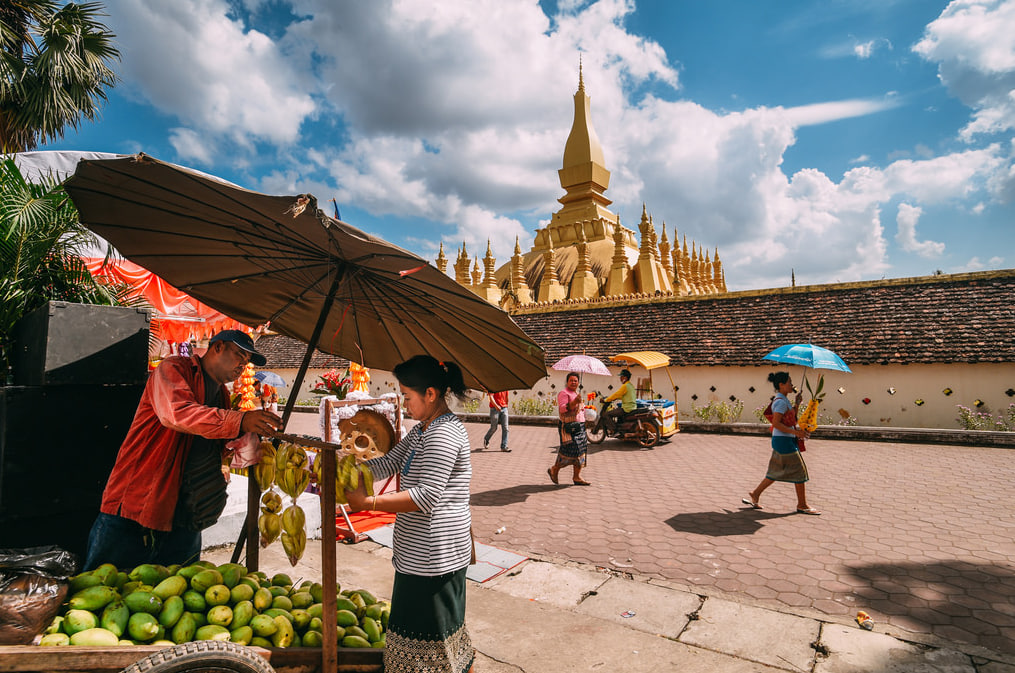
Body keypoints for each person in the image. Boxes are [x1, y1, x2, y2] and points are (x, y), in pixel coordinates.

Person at [83, 330, 282, 570]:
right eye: (240, 354)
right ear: (217, 347)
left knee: (178, 590)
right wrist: (239, 421)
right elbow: (178, 413)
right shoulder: (174, 368)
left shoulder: (222, 395)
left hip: (185, 512)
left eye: (247, 360)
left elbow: (211, 443)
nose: (243, 364)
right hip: (139, 502)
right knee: (108, 587)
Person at [344, 355, 475, 673]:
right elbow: (387, 463)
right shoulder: (422, 431)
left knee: (434, 633)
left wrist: (369, 503)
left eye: (407, 396)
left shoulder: (444, 433)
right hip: (418, 550)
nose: (404, 404)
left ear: (431, 394)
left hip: (435, 554)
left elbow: (426, 496)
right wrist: (348, 469)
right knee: (424, 629)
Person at [743, 371, 820, 515]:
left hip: (783, 440)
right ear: (781, 385)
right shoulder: (779, 402)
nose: (792, 385)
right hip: (784, 441)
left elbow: (791, 421)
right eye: (790, 382)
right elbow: (777, 423)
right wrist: (797, 433)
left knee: (775, 471)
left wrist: (797, 404)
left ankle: (755, 493)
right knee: (799, 471)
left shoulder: (784, 400)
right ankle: (802, 504)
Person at [548, 372, 591, 486]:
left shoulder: (576, 393)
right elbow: (563, 409)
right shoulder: (564, 393)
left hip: (580, 426)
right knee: (568, 451)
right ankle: (554, 469)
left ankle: (577, 477)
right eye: (571, 380)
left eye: (575, 380)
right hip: (569, 427)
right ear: (567, 382)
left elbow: (578, 408)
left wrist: (586, 407)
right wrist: (575, 402)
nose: (573, 382)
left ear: (578, 382)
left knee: (581, 451)